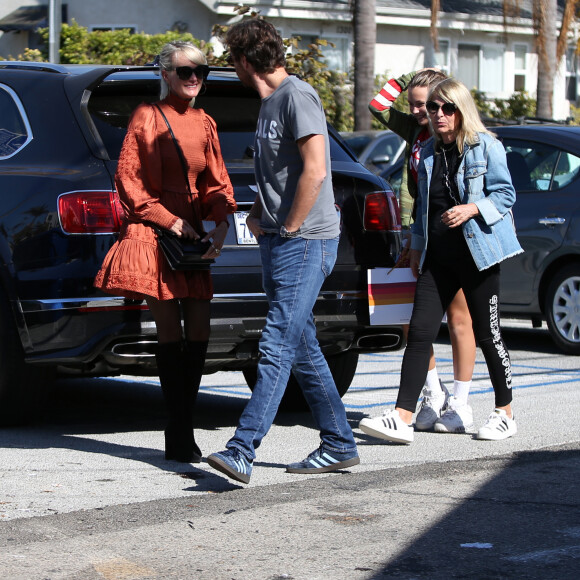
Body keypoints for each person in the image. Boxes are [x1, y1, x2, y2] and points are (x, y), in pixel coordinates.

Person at [207, 19, 359, 484]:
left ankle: (242, 448)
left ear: (244, 61)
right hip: (280, 239)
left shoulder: (296, 96)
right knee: (302, 346)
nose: (231, 68)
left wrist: (290, 226)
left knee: (276, 343)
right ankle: (338, 442)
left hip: (306, 241)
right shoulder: (270, 103)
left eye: (231, 60)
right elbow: (283, 174)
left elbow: (315, 169)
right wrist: (259, 215)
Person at [94, 41, 237, 463]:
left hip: (192, 238)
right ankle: (179, 430)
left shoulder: (205, 122)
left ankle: (182, 423)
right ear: (165, 74)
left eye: (201, 71)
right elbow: (129, 180)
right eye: (185, 71)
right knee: (170, 334)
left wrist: (222, 223)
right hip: (157, 234)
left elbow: (216, 181)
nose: (195, 78)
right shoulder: (147, 116)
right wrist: (168, 219)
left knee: (199, 333)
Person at [360, 77, 522, 444]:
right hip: (437, 256)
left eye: (446, 108)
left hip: (478, 254)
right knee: (419, 332)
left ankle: (505, 413)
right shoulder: (429, 151)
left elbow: (506, 194)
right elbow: (422, 208)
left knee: (487, 333)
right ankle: (402, 417)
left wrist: (471, 209)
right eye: (433, 108)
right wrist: (416, 245)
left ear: (461, 110)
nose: (438, 114)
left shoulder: (486, 148)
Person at [361, 69, 477, 435]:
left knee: (458, 316)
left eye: (425, 104)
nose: (417, 110)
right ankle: (432, 394)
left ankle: (460, 403)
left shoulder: (455, 139)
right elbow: (377, 106)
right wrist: (408, 78)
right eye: (414, 104)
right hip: (417, 233)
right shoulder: (416, 131)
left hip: (450, 235)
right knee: (410, 316)